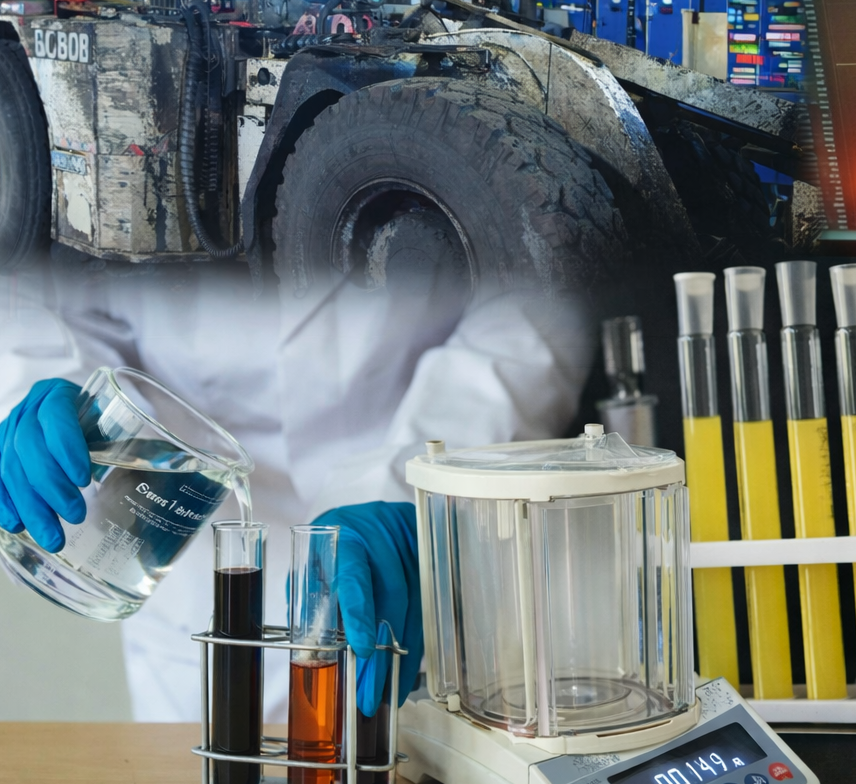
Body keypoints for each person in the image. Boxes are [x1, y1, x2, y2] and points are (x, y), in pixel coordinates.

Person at [0, 263, 594, 721]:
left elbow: (540, 289)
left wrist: (417, 488)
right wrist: (72, 401)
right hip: (184, 554)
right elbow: (38, 287)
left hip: (403, 527)